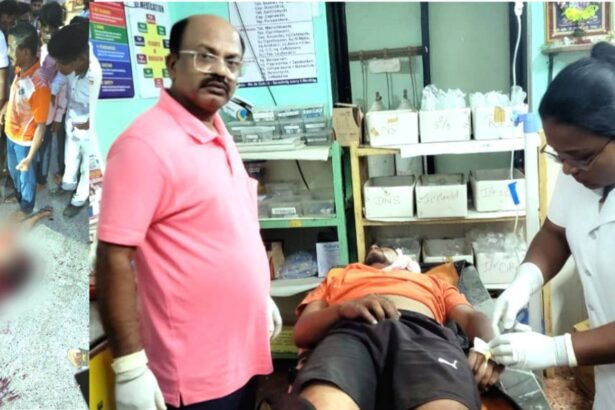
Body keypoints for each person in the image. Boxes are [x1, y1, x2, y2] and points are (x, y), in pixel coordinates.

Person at [95, 15, 281, 410]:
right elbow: (113, 256)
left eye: (231, 62)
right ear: (172, 64)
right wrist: (129, 367)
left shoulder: (218, 131)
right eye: (205, 56)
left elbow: (230, 225)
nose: (221, 71)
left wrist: (258, 296)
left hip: (241, 354)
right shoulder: (143, 146)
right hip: (194, 375)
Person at [490, 42, 615, 409]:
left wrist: (557, 349)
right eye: (559, 156)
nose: (568, 169)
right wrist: (523, 282)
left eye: (580, 157)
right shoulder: (582, 173)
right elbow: (555, 233)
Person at [287, 245, 502, 410]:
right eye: (372, 247)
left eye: (383, 246)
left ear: (405, 260)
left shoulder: (431, 281)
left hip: (423, 335)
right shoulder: (339, 275)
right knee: (323, 403)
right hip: (350, 332)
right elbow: (302, 332)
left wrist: (490, 347)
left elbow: (471, 317)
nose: (374, 247)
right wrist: (342, 309)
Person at [47, 22, 99, 217]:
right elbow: (61, 78)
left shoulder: (97, 75)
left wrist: (91, 122)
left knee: (88, 167)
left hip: (90, 131)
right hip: (72, 123)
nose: (58, 67)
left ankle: (79, 199)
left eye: (61, 63)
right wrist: (53, 92)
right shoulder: (68, 67)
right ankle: (68, 185)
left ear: (81, 59)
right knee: (70, 158)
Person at [3, 22, 50, 218]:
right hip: (10, 134)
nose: (8, 53)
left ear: (26, 52)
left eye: (11, 47)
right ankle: (19, 195)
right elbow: (16, 95)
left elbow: (41, 126)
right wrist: (5, 108)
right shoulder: (20, 68)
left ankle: (26, 208)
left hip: (24, 142)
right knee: (14, 173)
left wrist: (30, 157)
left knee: (26, 176)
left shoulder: (39, 85)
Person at [35, 1, 66, 190]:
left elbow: (63, 86)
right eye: (44, 27)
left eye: (51, 28)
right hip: (35, 105)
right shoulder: (39, 45)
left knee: (45, 145)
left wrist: (59, 115)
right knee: (35, 143)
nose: (47, 31)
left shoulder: (61, 50)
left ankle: (42, 179)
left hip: (50, 110)